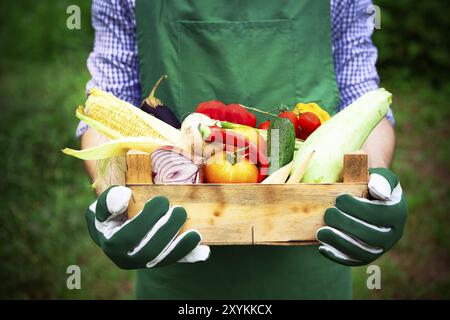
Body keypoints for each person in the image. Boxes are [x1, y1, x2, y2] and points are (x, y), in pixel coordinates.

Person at [79, 0, 407, 299]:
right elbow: (107, 103)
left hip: (316, 248)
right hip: (169, 249)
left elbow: (361, 98)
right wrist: (111, 191)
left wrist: (372, 185)